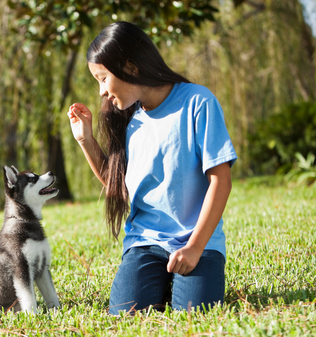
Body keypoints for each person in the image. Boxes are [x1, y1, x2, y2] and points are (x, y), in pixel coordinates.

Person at [67, 21, 237, 315]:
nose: (100, 92)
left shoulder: (198, 101)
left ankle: (179, 280)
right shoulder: (128, 118)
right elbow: (117, 184)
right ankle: (160, 280)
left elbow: (220, 181)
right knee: (124, 316)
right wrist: (86, 139)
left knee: (195, 318)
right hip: (145, 243)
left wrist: (195, 247)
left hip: (199, 241)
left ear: (131, 68)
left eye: (103, 78)